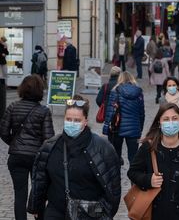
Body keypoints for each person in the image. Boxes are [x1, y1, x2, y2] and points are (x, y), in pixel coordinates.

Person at [28, 95, 120, 219]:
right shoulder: (50, 146)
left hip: (88, 213)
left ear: (85, 121)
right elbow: (40, 179)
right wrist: (36, 206)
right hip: (56, 211)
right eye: (68, 119)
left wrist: (104, 212)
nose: (72, 123)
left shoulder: (103, 148)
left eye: (77, 120)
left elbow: (113, 186)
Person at [127, 103, 179, 220]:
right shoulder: (148, 147)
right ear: (159, 123)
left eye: (174, 118)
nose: (170, 122)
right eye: (166, 119)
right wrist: (147, 179)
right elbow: (132, 172)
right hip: (155, 213)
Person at [0, 75, 54, 220]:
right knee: (39, 192)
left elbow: (3, 132)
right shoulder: (44, 111)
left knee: (20, 194)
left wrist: (14, 143)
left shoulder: (12, 107)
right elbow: (49, 138)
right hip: (37, 157)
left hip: (17, 157)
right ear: (40, 91)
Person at [103, 71, 145, 164]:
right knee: (133, 157)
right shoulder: (138, 93)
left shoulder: (115, 91)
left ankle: (116, 177)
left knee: (116, 156)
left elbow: (110, 111)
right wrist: (140, 128)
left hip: (117, 128)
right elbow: (141, 113)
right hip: (134, 128)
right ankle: (133, 177)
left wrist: (106, 128)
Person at [96, 66, 121, 141]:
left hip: (108, 113)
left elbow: (98, 100)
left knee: (110, 135)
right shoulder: (121, 86)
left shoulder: (106, 86)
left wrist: (104, 106)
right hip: (119, 113)